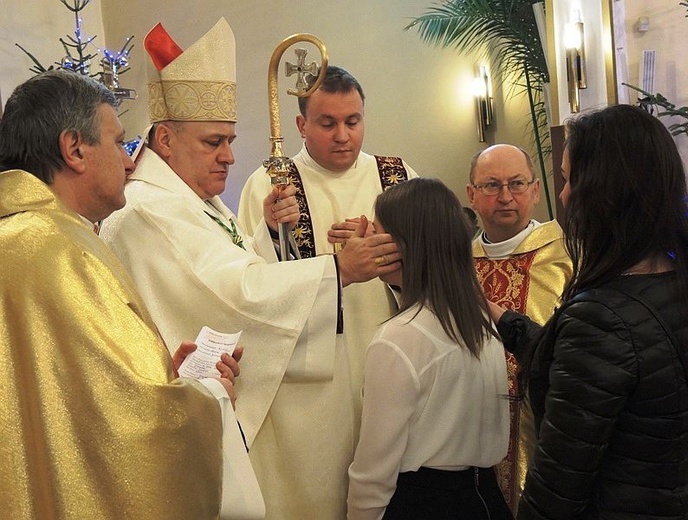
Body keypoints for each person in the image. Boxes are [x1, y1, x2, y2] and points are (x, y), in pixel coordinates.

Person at [100, 19, 401, 520]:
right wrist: (336, 271)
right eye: (213, 143)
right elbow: (232, 291)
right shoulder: (148, 212)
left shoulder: (196, 202)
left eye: (230, 140)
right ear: (167, 140)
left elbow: (241, 265)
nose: (230, 157)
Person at [0, 70, 244, 519]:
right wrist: (204, 394)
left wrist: (159, 373)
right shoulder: (58, 250)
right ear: (74, 149)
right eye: (118, 142)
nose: (131, 162)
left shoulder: (19, 235)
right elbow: (133, 429)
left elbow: (68, 395)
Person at [492, 104, 688, 519]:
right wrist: (501, 317)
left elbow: (555, 495)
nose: (563, 196)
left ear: (605, 190)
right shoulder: (677, 280)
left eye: (569, 180)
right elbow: (596, 369)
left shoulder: (601, 317)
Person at [239, 66, 417, 414]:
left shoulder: (398, 176)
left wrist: (386, 245)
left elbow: (437, 261)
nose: (342, 135)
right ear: (301, 125)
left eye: (353, 121)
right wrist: (274, 233)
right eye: (327, 123)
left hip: (396, 354)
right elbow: (249, 282)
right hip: (312, 380)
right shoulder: (270, 185)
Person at [347, 177, 512, 520]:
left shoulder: (399, 338)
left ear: (403, 246)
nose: (368, 243)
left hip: (425, 503)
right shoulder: (481, 322)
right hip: (485, 500)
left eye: (377, 233)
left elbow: (374, 470)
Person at [466, 144, 572, 513]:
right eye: (492, 185)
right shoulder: (458, 263)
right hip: (472, 429)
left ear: (536, 189)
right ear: (472, 195)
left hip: (545, 428)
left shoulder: (568, 252)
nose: (506, 196)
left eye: (517, 183)